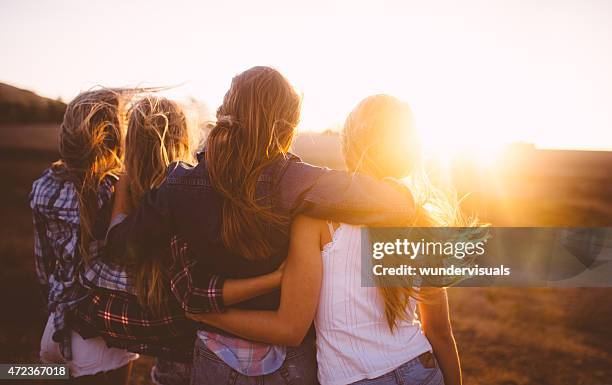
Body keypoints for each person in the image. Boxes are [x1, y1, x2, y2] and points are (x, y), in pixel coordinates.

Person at [104, 67, 419, 385]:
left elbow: (120, 247)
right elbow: (397, 203)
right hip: (290, 363)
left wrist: (122, 192)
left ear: (225, 112)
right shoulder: (298, 182)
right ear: (287, 126)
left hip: (214, 359)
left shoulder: (179, 184)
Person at [190, 95, 467, 385]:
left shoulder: (317, 219)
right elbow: (440, 333)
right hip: (419, 369)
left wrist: (209, 316)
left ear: (348, 144)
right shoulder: (422, 219)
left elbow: (291, 326)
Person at [73, 95, 287, 385]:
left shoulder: (147, 204)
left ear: (131, 149)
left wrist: (123, 185)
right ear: (184, 138)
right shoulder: (194, 196)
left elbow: (115, 254)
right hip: (210, 350)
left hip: (187, 356)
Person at [30, 89, 138, 384]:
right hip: (99, 339)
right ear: (116, 138)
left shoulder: (43, 186)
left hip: (54, 331)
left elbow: (43, 267)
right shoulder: (116, 191)